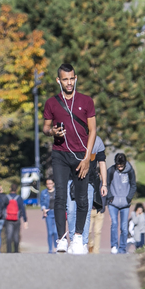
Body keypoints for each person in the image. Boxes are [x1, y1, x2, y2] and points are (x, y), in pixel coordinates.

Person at [42, 62, 97, 254]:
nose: (69, 82)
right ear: (59, 80)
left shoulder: (86, 101)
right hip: (60, 155)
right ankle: (61, 239)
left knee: (82, 198)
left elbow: (93, 130)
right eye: (65, 79)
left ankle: (79, 238)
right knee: (60, 196)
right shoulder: (52, 103)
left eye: (71, 78)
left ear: (76, 79)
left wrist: (87, 158)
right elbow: (46, 128)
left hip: (81, 156)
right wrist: (52, 132)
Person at [106, 152, 137, 254]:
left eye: (122, 166)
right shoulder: (111, 170)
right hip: (113, 203)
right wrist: (110, 197)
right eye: (118, 165)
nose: (120, 167)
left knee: (124, 227)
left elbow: (133, 185)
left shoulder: (130, 171)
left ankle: (122, 248)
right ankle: (114, 245)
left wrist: (128, 198)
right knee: (114, 223)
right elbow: (106, 184)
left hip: (125, 204)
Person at [86, 136, 108, 253]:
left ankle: (97, 252)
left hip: (98, 208)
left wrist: (104, 184)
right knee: (89, 230)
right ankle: (88, 245)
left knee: (98, 231)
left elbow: (102, 162)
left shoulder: (98, 141)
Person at [2, 182, 28, 253]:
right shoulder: (19, 198)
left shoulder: (6, 198)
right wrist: (25, 220)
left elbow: (3, 208)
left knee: (9, 236)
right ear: (16, 190)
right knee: (16, 236)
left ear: (10, 189)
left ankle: (9, 251)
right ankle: (16, 251)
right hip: (16, 219)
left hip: (8, 219)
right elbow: (22, 209)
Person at [39, 178, 58, 253]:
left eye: (50, 183)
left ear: (53, 184)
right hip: (48, 213)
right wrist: (43, 209)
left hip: (56, 213)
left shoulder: (57, 192)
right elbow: (42, 203)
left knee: (56, 232)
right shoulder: (44, 192)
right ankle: (50, 249)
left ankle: (56, 247)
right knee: (50, 232)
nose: (49, 185)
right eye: (47, 184)